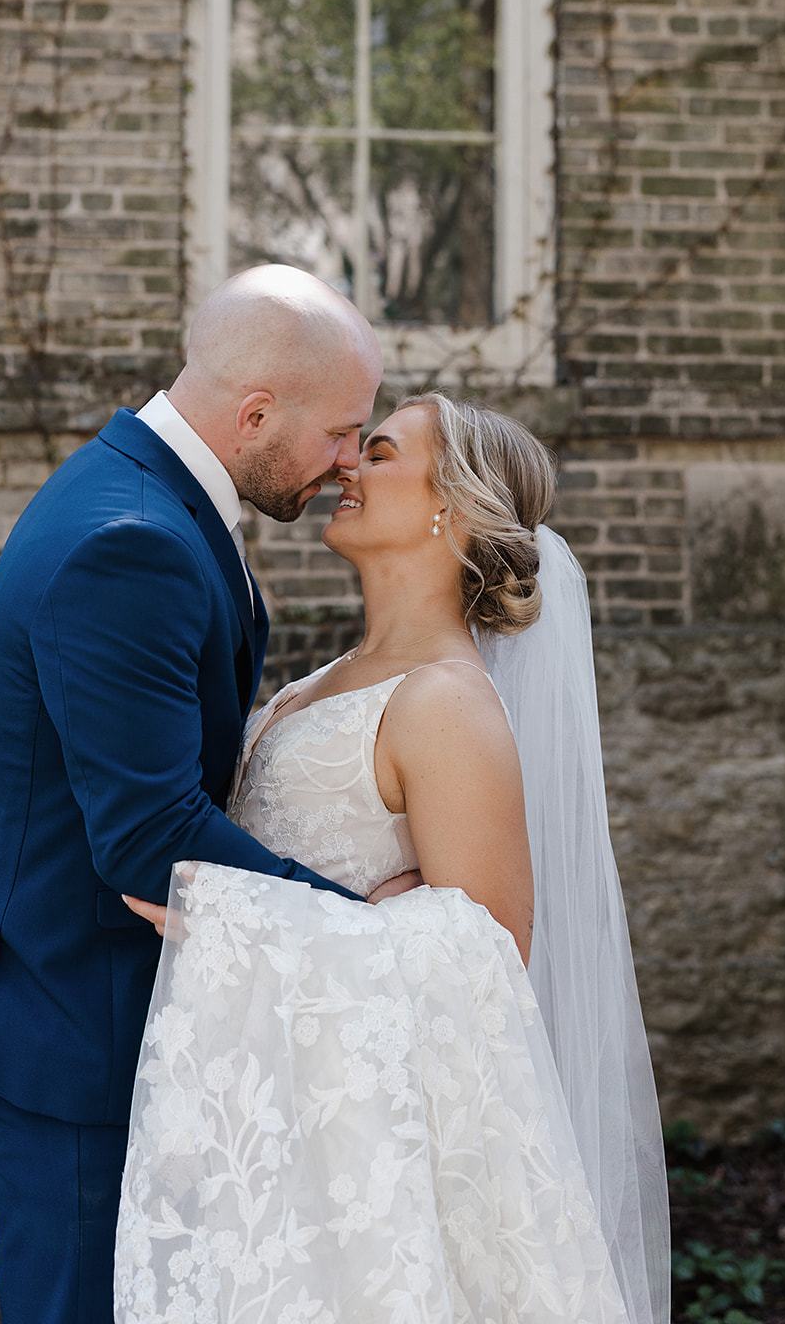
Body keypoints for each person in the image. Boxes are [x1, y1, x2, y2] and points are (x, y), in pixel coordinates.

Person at [116, 395, 671, 1324]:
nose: (347, 469)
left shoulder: (446, 703)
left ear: (450, 505)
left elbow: (488, 965)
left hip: (368, 1155)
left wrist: (263, 923)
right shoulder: (314, 682)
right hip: (268, 1112)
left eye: (376, 452)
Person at [0, 264, 384, 1323]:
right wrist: (375, 936)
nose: (347, 464)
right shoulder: (130, 540)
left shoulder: (152, 500)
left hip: (108, 1012)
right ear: (256, 412)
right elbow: (150, 836)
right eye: (343, 432)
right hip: (71, 1030)